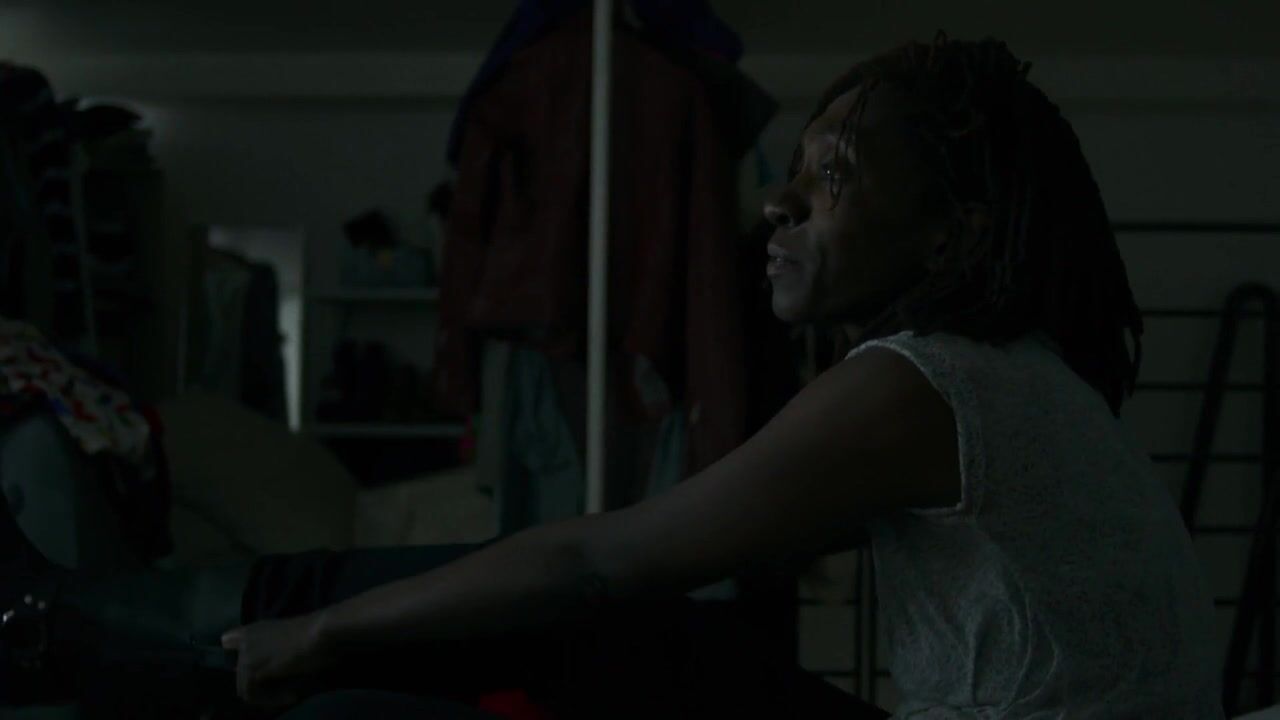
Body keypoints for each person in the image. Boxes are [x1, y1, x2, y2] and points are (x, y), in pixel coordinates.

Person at [0, 35, 1223, 719]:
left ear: (953, 234)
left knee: (508, 631)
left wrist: (325, 632)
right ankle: (73, 626)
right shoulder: (1017, 380)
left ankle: (72, 630)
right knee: (622, 637)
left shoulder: (928, 383)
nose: (777, 200)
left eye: (834, 176)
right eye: (794, 167)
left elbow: (600, 560)